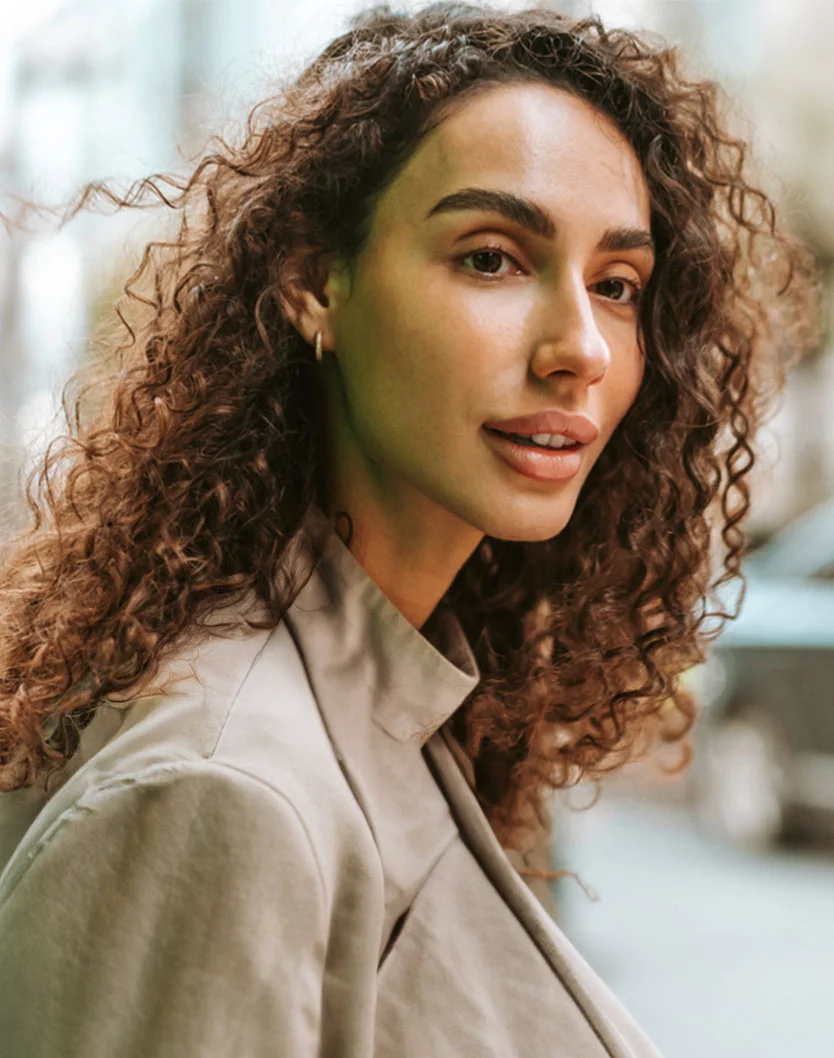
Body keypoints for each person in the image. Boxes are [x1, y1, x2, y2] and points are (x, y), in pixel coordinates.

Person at [0, 3, 818, 1056]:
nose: (582, 347)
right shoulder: (223, 790)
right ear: (313, 282)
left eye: (617, 285)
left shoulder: (414, 706)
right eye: (492, 258)